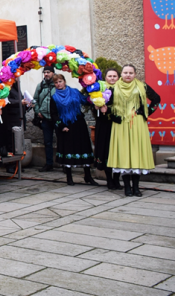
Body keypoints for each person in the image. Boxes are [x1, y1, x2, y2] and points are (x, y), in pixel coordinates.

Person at [107, 65, 161, 197]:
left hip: (137, 123)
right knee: (124, 153)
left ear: (135, 74)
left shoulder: (142, 86)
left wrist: (145, 112)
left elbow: (156, 99)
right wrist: (113, 116)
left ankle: (136, 188)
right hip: (121, 125)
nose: (128, 75)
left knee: (136, 152)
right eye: (125, 73)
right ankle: (127, 188)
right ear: (121, 74)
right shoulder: (113, 88)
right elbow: (107, 106)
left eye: (131, 73)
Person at [50, 74, 99, 186]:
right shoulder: (54, 98)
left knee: (83, 148)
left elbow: (85, 101)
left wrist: (93, 94)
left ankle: (88, 176)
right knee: (68, 150)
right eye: (56, 82)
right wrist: (61, 126)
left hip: (78, 123)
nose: (58, 84)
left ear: (65, 81)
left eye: (60, 81)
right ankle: (69, 177)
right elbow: (53, 114)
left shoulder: (75, 92)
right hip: (66, 126)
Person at [92, 68, 121, 190]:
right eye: (110, 76)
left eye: (115, 76)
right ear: (106, 77)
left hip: (118, 125)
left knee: (118, 152)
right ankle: (109, 179)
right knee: (106, 152)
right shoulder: (101, 89)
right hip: (104, 125)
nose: (112, 78)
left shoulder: (121, 90)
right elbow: (93, 109)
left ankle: (117, 179)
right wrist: (96, 107)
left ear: (118, 77)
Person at [34, 65, 57, 171]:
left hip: (57, 118)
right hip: (45, 118)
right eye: (45, 72)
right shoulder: (40, 86)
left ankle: (64, 164)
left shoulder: (58, 84)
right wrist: (38, 112)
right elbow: (35, 100)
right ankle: (49, 164)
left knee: (61, 141)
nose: (46, 74)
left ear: (53, 73)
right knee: (47, 142)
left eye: (48, 72)